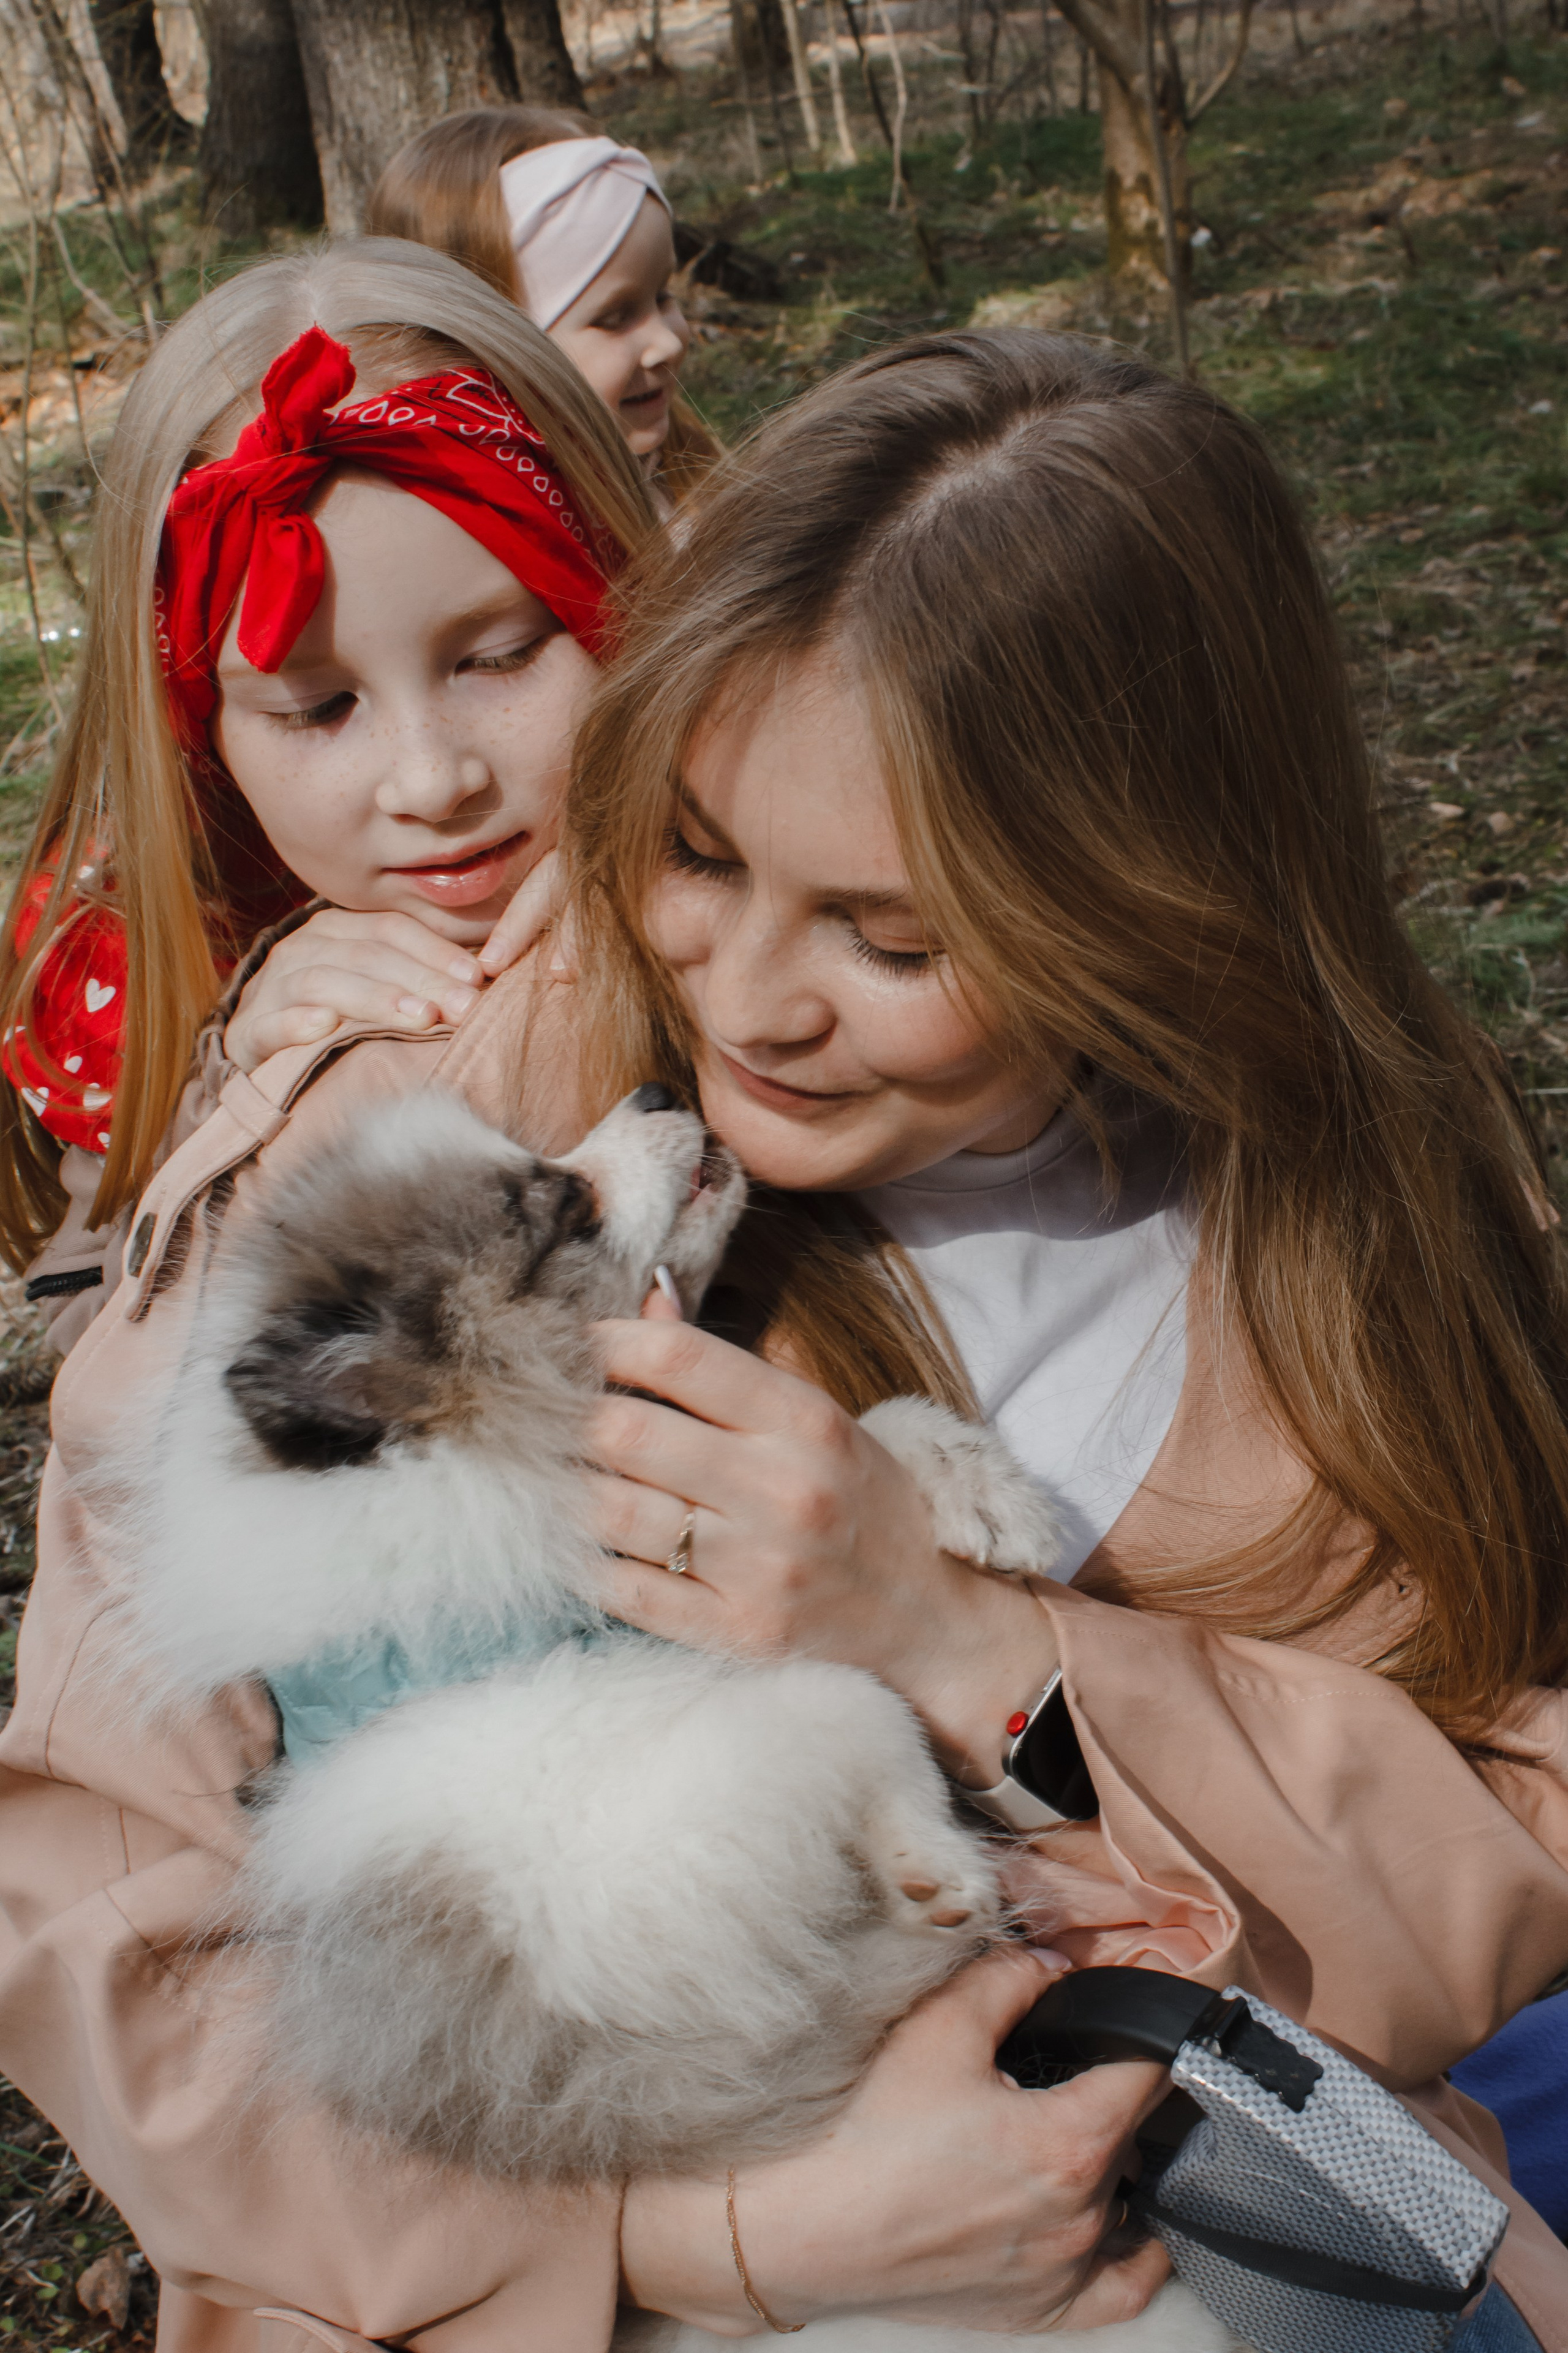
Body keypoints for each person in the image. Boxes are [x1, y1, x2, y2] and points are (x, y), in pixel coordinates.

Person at [2, 325, 1565, 2349]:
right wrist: (714, 2240)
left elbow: (1503, 1852)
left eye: (894, 937)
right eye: (697, 858)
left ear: (1158, 907)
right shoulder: (440, 1155)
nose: (749, 999)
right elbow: (110, 1924)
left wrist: (973, 1647)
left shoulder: (1386, 1233)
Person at [0, 238, 654, 1334]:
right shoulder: (143, 951)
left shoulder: (764, 832)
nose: (434, 779)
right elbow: (97, 1328)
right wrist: (232, 1098)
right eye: (317, 709)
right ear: (200, 734)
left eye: (499, 655)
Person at [365, 107, 720, 502]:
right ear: (491, 350)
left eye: (663, 296)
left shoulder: (686, 470)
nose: (668, 343)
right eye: (614, 319)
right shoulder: (507, 540)